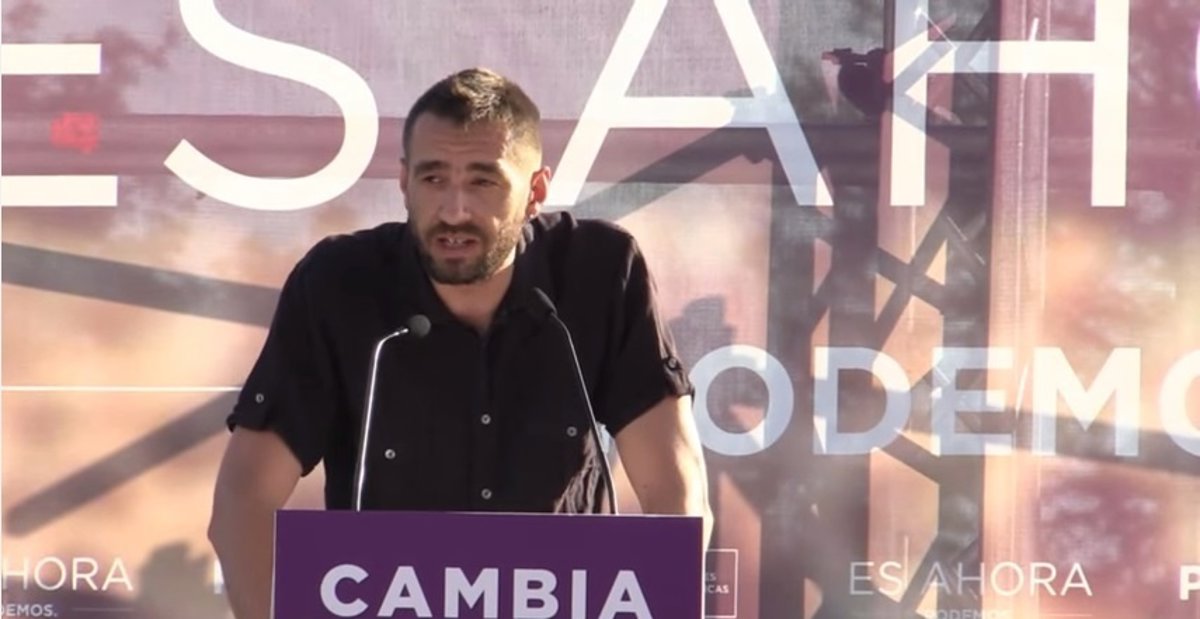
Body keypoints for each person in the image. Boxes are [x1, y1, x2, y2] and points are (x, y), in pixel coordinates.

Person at [207, 67, 713, 619]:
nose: (454, 211)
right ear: (404, 182)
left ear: (535, 192)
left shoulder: (601, 273)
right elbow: (243, 501)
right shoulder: (338, 283)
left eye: (482, 182)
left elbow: (676, 495)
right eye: (432, 179)